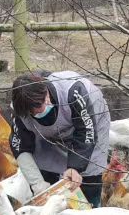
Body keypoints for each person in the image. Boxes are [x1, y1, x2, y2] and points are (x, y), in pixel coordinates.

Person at [8, 71, 111, 207]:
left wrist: (75, 168)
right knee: (47, 175)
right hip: (49, 135)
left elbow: (86, 132)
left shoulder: (74, 92)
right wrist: (38, 184)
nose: (36, 112)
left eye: (38, 106)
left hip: (89, 124)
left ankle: (92, 206)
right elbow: (20, 146)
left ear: (46, 93)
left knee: (86, 175)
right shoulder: (20, 108)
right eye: (30, 112)